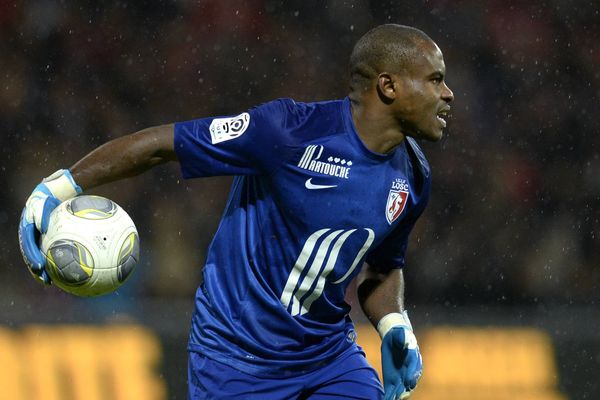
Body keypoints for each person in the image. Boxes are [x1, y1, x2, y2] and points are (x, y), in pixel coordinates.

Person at [19, 23, 454, 399]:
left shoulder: (413, 175)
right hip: (235, 361)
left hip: (328, 358)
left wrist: (396, 323)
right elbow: (161, 147)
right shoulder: (289, 131)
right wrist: (56, 187)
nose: (448, 94)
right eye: (435, 80)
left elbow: (381, 267)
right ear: (388, 85)